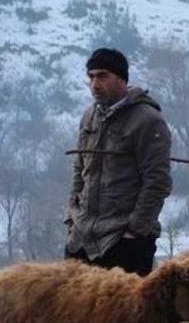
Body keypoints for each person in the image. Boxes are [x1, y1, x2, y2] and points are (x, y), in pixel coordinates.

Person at [65, 48, 172, 277]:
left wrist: (135, 231)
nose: (94, 84)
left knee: (123, 312)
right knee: (74, 311)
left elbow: (157, 182)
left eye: (102, 76)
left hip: (124, 242)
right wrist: (72, 216)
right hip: (82, 239)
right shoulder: (89, 116)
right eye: (91, 77)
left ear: (122, 79)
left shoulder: (148, 121)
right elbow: (79, 171)